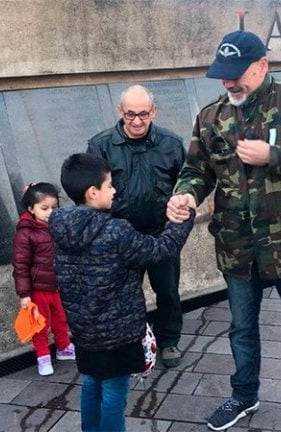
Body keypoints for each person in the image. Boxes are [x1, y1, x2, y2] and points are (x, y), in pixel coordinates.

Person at [166, 31, 281, 432]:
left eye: (237, 74)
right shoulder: (211, 117)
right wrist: (185, 196)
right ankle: (244, 396)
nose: (229, 83)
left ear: (262, 65)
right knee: (242, 329)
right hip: (237, 246)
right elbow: (197, 170)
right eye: (223, 76)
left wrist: (276, 156)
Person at [50, 153, 194, 432]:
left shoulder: (59, 228)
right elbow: (161, 250)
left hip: (84, 331)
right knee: (115, 392)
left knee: (91, 383)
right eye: (109, 185)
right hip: (119, 332)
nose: (114, 190)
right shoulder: (115, 231)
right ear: (93, 193)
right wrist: (182, 219)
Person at [87, 85, 187, 368]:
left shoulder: (171, 143)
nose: (137, 121)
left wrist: (177, 228)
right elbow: (91, 193)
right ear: (120, 112)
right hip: (121, 237)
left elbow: (186, 184)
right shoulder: (100, 146)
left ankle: (169, 340)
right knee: (123, 295)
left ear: (153, 111)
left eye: (143, 114)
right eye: (130, 114)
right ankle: (130, 343)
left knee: (167, 290)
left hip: (160, 235)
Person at [11, 182, 76, 376]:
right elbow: (20, 266)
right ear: (31, 208)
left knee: (61, 319)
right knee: (40, 324)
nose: (50, 212)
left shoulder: (57, 227)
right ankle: (43, 356)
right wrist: (24, 294)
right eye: (44, 208)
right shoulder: (25, 234)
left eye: (53, 208)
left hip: (57, 285)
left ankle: (64, 347)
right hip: (38, 290)